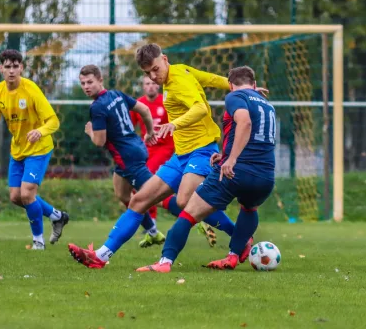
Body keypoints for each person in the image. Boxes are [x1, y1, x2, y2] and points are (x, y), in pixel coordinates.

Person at [68, 43, 266, 269]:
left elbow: (200, 108)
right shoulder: (182, 70)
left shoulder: (179, 80)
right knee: (139, 200)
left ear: (164, 58)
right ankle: (100, 256)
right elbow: (210, 79)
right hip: (181, 155)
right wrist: (241, 90)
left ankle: (239, 238)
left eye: (155, 69)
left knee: (184, 201)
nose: (153, 76)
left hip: (202, 151)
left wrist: (174, 124)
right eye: (147, 73)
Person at [136, 66, 276, 272]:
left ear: (230, 86)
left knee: (188, 212)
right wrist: (225, 155)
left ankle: (165, 262)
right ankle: (233, 256)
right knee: (249, 208)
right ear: (254, 85)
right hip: (265, 176)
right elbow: (256, 137)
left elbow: (244, 123)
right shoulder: (267, 103)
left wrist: (231, 159)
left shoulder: (234, 96)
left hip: (235, 172)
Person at [0, 49, 69, 250]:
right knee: (16, 197)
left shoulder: (31, 90)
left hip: (39, 149)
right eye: (7, 66)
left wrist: (40, 131)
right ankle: (57, 216)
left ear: (21, 67)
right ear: (1, 69)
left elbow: (54, 121)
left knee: (27, 193)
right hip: (18, 150)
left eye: (15, 66)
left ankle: (38, 241)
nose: (11, 70)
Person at [78, 64, 166, 254]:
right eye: (83, 83)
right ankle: (152, 231)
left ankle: (197, 215)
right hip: (136, 150)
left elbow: (100, 142)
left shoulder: (98, 107)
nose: (86, 86)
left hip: (128, 158)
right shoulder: (117, 94)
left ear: (100, 80)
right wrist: (150, 132)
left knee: (158, 194)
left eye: (90, 82)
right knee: (123, 194)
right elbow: (143, 109)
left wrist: (90, 132)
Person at [131, 75, 216, 247]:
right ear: (143, 86)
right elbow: (132, 127)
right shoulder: (138, 104)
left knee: (146, 189)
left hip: (167, 149)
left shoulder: (166, 101)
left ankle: (152, 229)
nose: (150, 87)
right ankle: (194, 218)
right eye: (147, 83)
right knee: (152, 194)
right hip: (147, 150)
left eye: (154, 83)